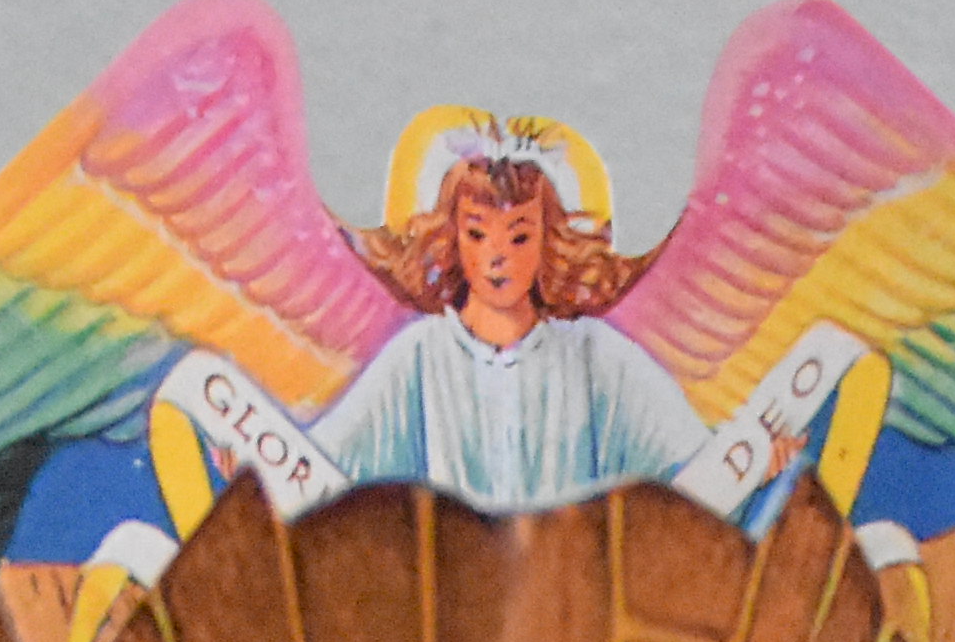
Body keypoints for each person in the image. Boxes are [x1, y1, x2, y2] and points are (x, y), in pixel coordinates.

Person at [306, 134, 717, 514]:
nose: (497, 256)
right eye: (477, 234)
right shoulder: (421, 354)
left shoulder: (592, 354)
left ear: (547, 240)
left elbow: (694, 470)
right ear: (452, 238)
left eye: (519, 237)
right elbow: (326, 469)